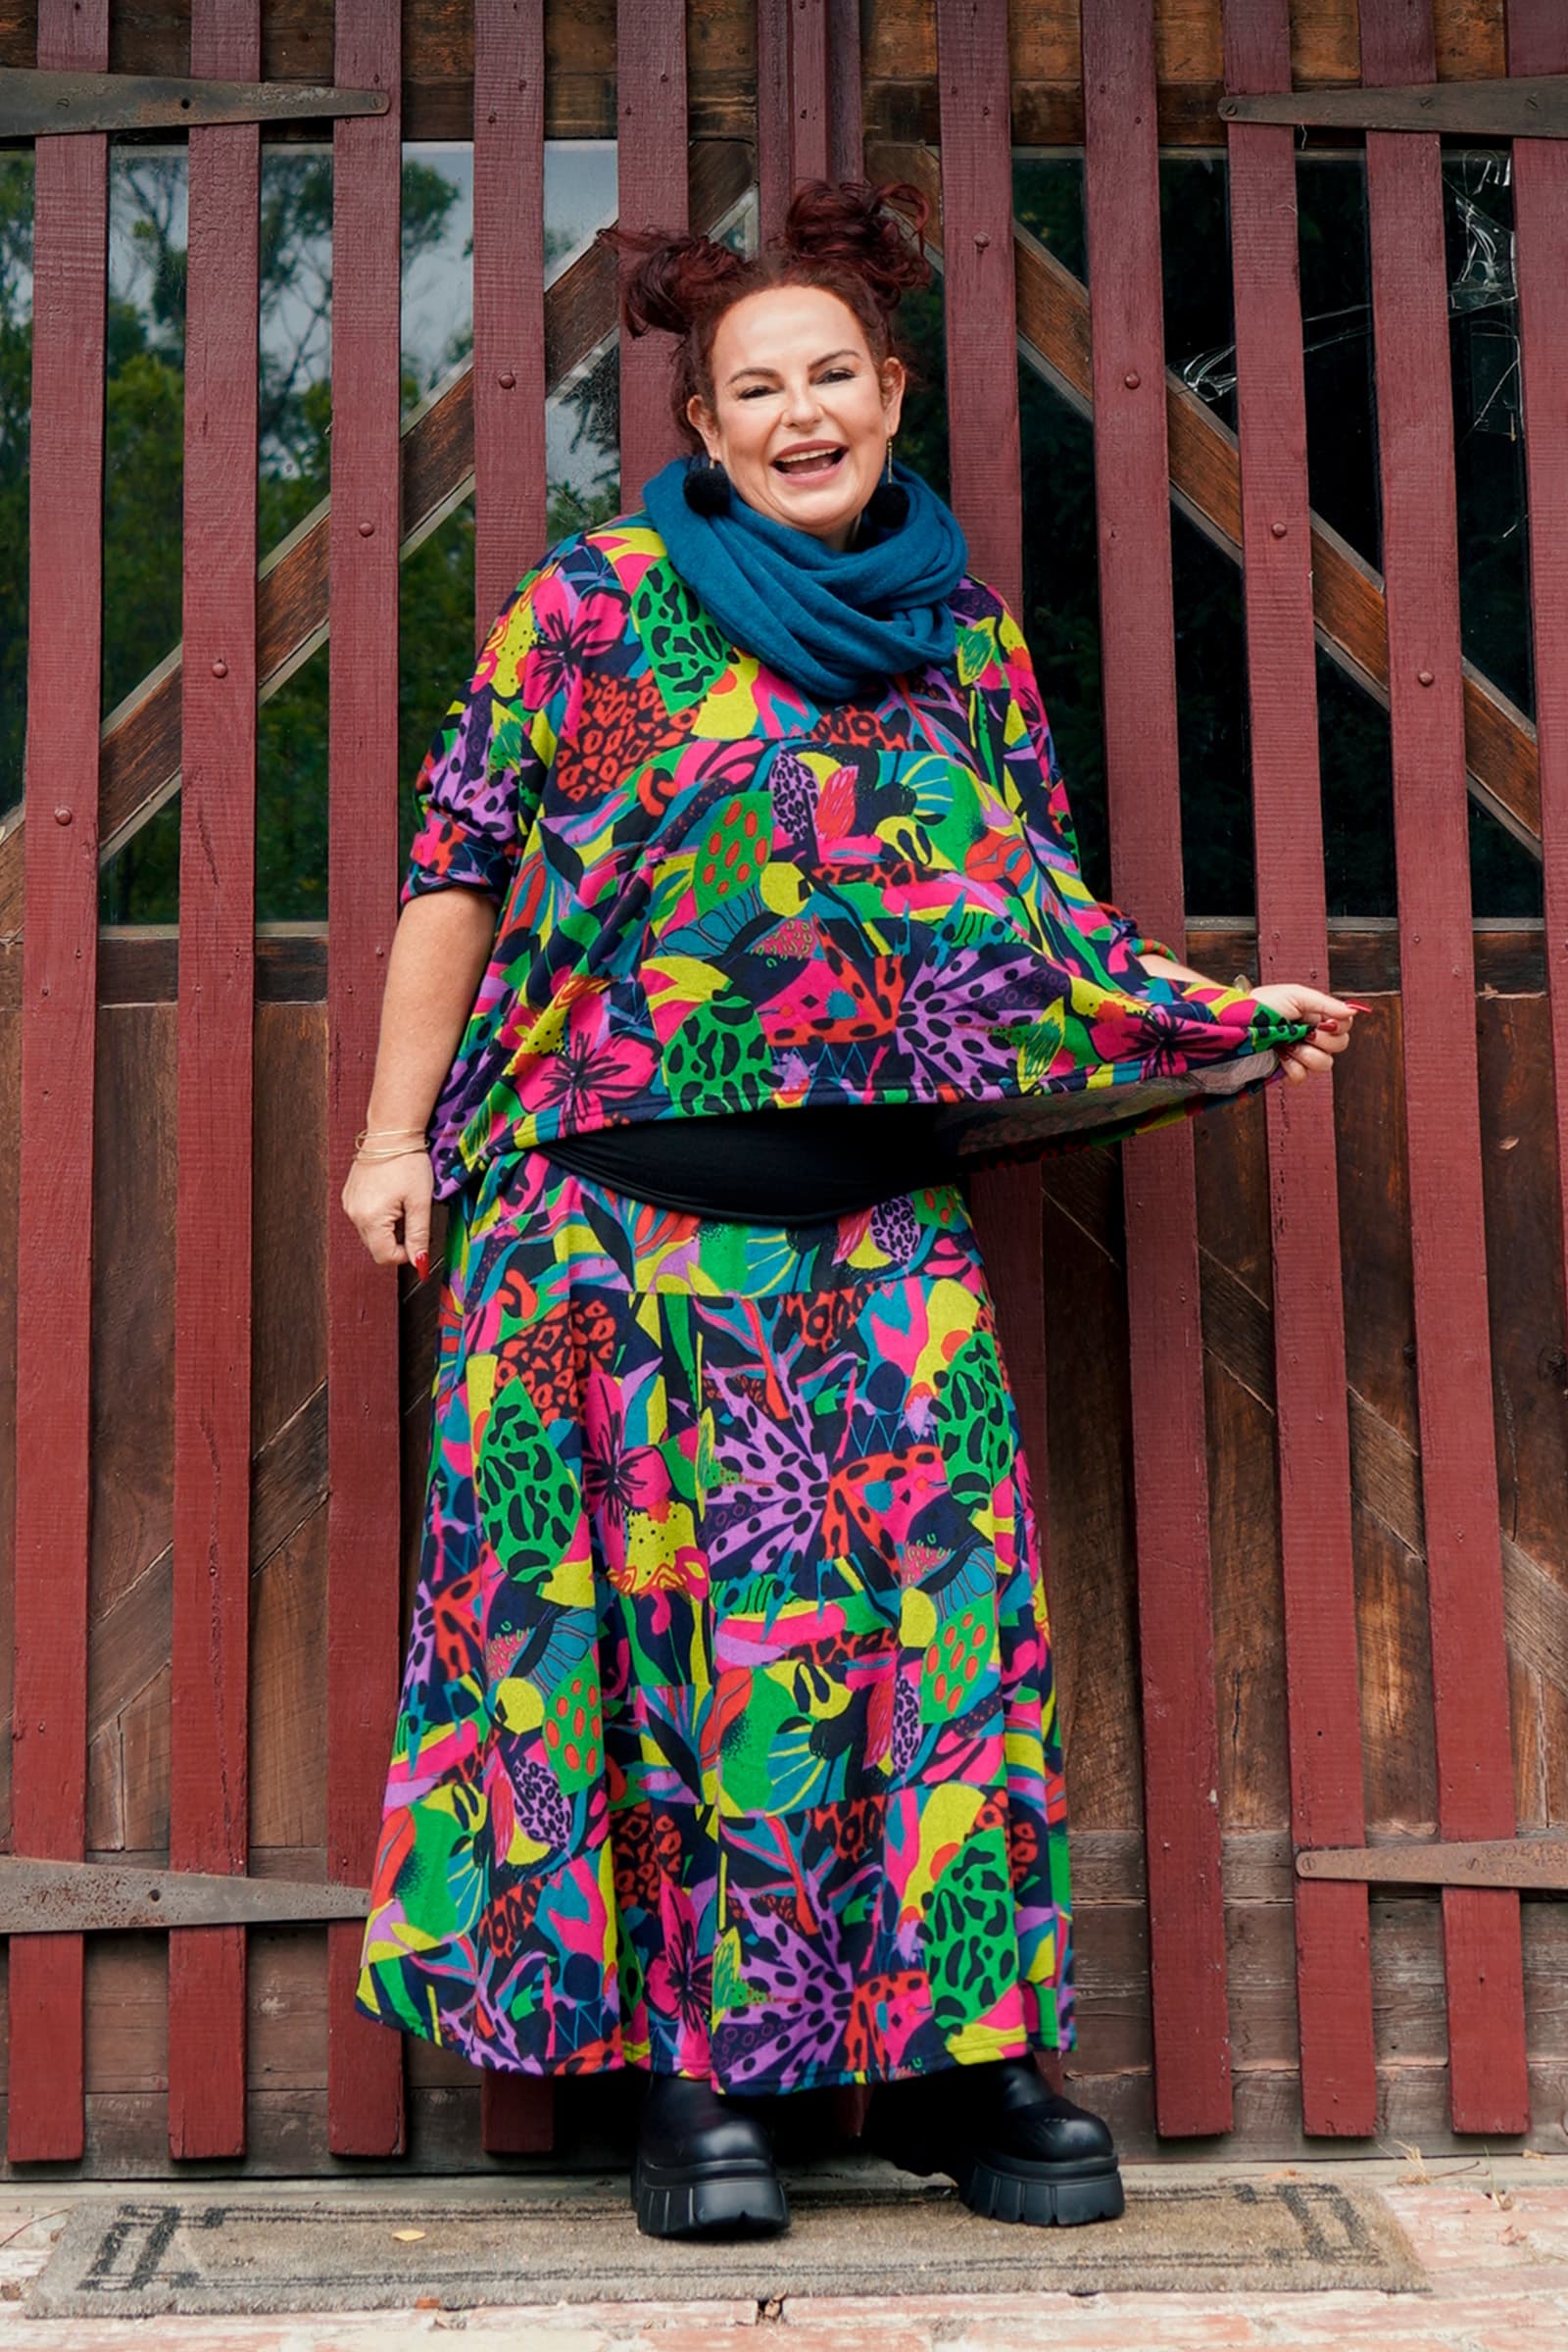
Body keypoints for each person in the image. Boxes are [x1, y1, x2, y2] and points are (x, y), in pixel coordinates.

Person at [343, 179, 1352, 2241]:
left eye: (830, 378)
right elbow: (456, 871)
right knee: (660, 1666)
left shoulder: (958, 636)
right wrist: (390, 1140)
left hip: (877, 1247)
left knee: (938, 1653)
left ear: (890, 395)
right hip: (607, 1249)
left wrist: (1210, 1013)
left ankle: (963, 2072)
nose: (797, 414)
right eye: (755, 390)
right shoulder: (594, 609)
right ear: (700, 425)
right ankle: (694, 2085)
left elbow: (1027, 920)